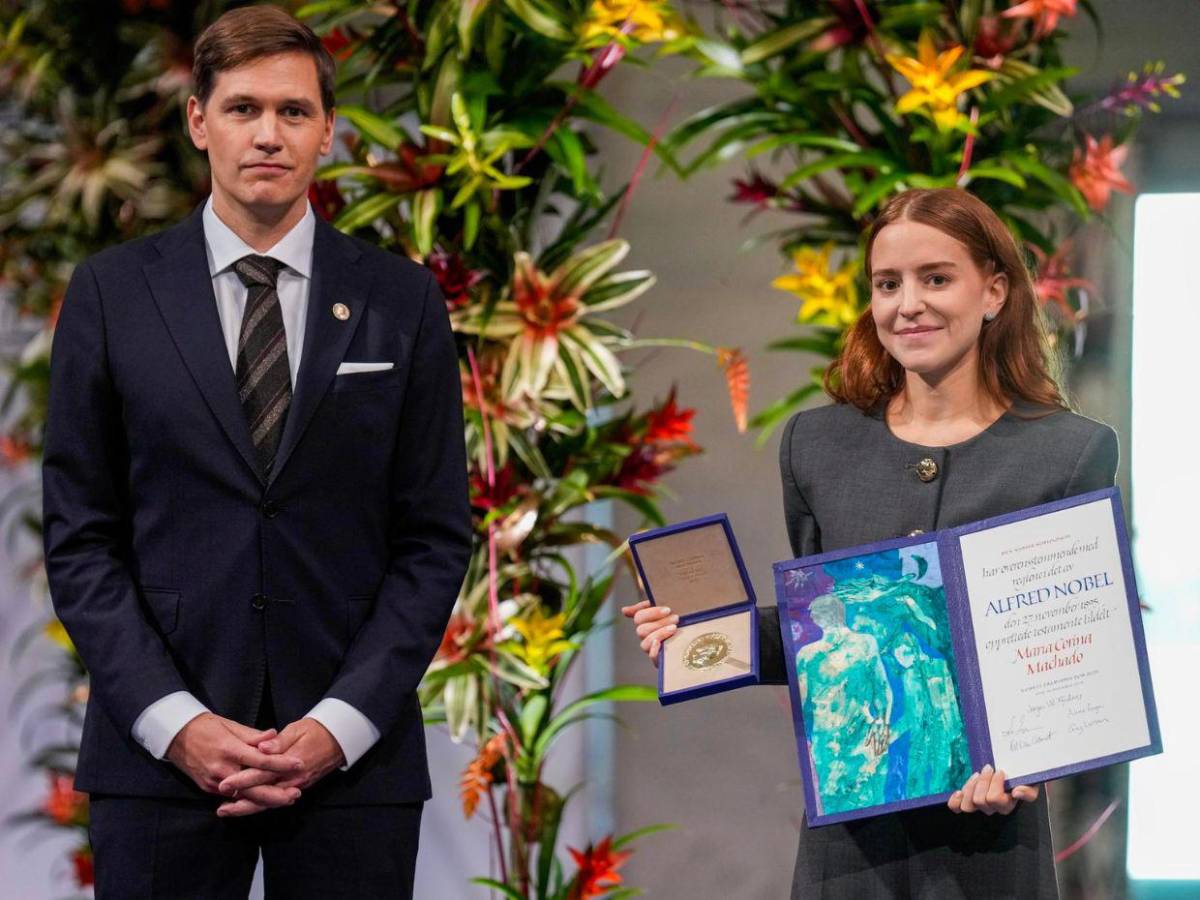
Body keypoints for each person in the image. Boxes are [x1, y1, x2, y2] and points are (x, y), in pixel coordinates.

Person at [41, 6, 471, 898]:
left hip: (352, 766)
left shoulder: (402, 301)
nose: (267, 135)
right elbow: (82, 538)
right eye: (242, 109)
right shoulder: (111, 296)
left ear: (327, 130)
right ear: (198, 120)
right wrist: (177, 722)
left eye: (293, 111)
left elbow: (432, 538)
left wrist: (339, 725)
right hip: (160, 763)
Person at [624, 187, 1117, 898]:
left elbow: (1081, 647)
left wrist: (1032, 763)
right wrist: (702, 635)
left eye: (936, 278)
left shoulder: (1068, 453)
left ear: (994, 291)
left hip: (990, 847)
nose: (907, 304)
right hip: (852, 849)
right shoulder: (817, 444)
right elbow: (823, 625)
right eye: (888, 284)